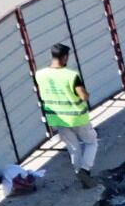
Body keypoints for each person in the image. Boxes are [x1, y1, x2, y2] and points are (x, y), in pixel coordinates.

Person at [35, 44, 99, 187]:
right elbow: (83, 96)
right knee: (91, 142)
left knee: (73, 148)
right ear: (65, 57)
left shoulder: (40, 74)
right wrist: (86, 95)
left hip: (57, 117)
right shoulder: (71, 75)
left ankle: (79, 173)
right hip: (76, 117)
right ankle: (85, 169)